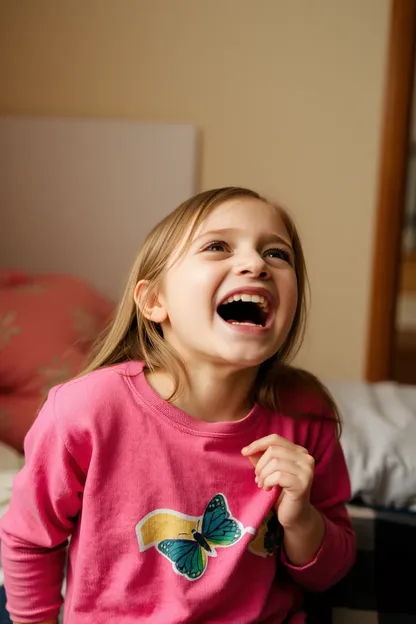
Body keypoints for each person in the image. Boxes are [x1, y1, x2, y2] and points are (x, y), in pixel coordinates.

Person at [0, 187, 356, 624]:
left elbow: (330, 574)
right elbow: (29, 540)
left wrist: (302, 518)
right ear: (154, 301)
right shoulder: (85, 410)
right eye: (217, 246)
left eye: (277, 254)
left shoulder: (306, 414)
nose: (256, 264)